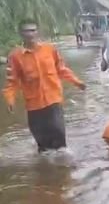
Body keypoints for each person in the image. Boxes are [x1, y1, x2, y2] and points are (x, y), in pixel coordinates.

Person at [2, 19, 86, 153]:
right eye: (26, 31)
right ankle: (45, 170)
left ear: (38, 32)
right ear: (20, 33)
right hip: (34, 106)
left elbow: (62, 69)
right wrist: (10, 100)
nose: (30, 34)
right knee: (43, 148)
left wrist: (77, 82)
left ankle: (63, 171)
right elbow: (11, 82)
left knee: (60, 144)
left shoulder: (50, 50)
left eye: (33, 30)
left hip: (53, 101)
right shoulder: (15, 56)